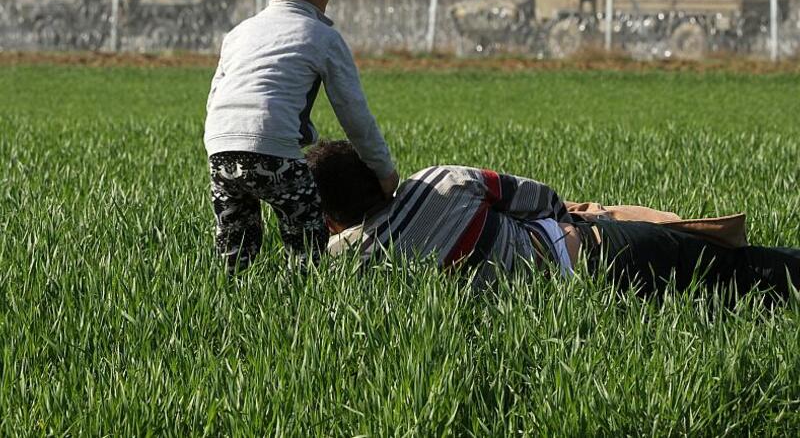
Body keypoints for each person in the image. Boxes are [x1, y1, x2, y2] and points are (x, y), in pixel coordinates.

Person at [307, 140, 800, 302]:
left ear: (329, 218)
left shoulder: (348, 262)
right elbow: (538, 197)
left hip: (577, 298)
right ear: (374, 172)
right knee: (738, 272)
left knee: (722, 298)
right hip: (597, 251)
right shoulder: (440, 181)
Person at [204, 0, 398, 273]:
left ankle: (228, 300)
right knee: (306, 240)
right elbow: (353, 113)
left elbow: (217, 96)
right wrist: (383, 169)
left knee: (235, 247)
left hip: (220, 150)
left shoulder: (238, 34)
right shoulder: (322, 36)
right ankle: (302, 303)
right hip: (273, 152)